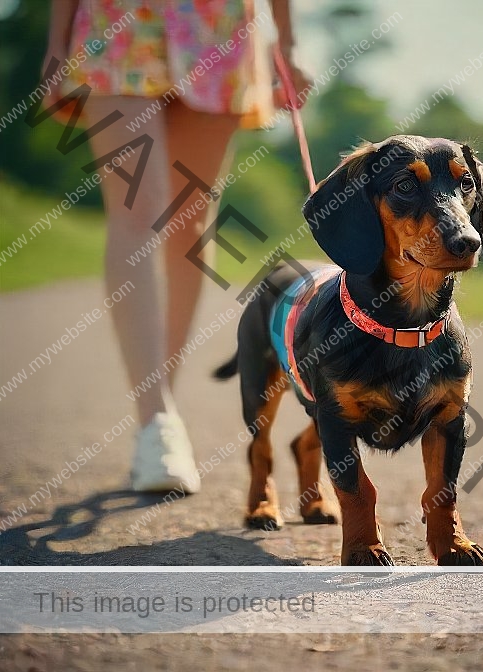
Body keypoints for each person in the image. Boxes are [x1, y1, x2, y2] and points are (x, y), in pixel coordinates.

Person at [41, 0, 309, 494]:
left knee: (189, 223)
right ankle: (156, 421)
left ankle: (162, 397)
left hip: (218, 25)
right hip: (117, 19)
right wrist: (56, 43)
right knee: (138, 208)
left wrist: (287, 43)